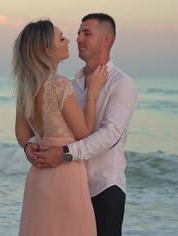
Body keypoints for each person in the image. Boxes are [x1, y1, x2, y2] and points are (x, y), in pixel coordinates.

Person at [25, 13, 138, 236]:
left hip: (104, 187)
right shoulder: (70, 85)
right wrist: (30, 145)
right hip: (70, 185)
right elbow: (48, 126)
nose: (78, 39)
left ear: (107, 39)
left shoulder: (122, 84)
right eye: (78, 33)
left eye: (87, 33)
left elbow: (110, 135)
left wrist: (65, 153)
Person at [13, 19, 108, 236]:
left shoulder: (26, 86)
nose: (68, 41)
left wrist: (29, 147)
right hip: (64, 174)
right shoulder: (59, 84)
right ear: (47, 50)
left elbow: (21, 134)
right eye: (61, 38)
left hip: (38, 174)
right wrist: (92, 92)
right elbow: (83, 133)